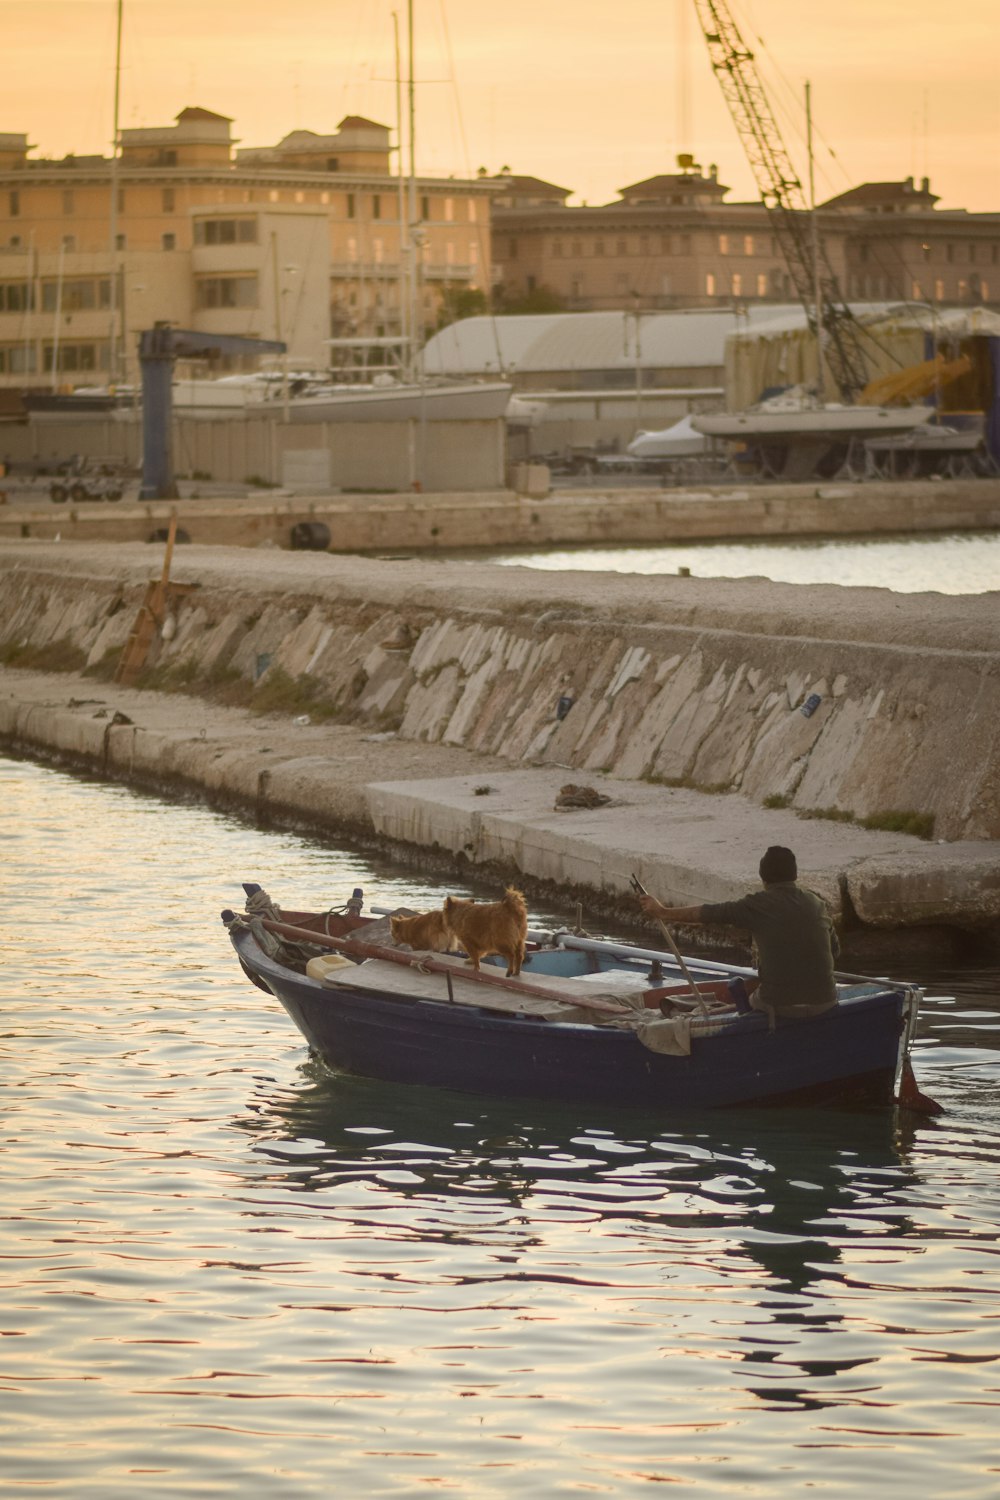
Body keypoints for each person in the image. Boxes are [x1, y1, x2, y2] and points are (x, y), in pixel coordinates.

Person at [638, 845, 839, 1021]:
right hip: (826, 1001)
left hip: (781, 1006)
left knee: (750, 994)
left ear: (763, 878)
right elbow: (835, 952)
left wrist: (662, 912)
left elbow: (707, 913)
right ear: (794, 875)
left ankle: (703, 1016)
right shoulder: (816, 903)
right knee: (759, 986)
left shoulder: (756, 905)